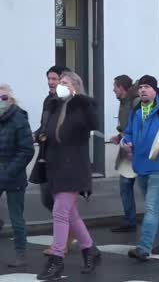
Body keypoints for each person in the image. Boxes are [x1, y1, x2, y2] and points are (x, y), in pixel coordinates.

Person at [37, 72, 101, 280]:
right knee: (70, 214)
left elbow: (94, 124)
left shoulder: (80, 107)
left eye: (64, 82)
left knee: (60, 212)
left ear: (75, 86)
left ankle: (57, 260)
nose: (59, 85)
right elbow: (47, 131)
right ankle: (90, 249)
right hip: (55, 167)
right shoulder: (55, 106)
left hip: (73, 168)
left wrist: (83, 100)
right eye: (59, 82)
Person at [122, 75, 159, 262]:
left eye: (146, 87)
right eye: (140, 87)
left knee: (150, 207)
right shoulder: (136, 110)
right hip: (140, 166)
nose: (142, 90)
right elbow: (128, 133)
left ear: (155, 90)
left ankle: (144, 247)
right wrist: (127, 142)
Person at [35, 66, 75, 256]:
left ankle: (63, 242)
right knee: (47, 199)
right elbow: (44, 125)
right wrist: (36, 134)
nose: (51, 82)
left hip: (61, 159)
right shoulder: (48, 100)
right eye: (49, 79)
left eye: (54, 79)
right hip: (45, 155)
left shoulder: (68, 103)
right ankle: (74, 235)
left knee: (60, 204)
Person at [0, 85, 35, 267]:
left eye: (4, 98)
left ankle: (20, 253)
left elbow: (26, 150)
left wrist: (9, 171)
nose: (0, 101)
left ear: (11, 99)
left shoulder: (19, 119)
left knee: (16, 216)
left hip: (14, 175)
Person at [110, 75, 140, 233]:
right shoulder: (124, 102)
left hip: (133, 150)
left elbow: (139, 126)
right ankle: (129, 220)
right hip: (127, 147)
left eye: (115, 86)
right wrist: (119, 136)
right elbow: (126, 126)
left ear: (122, 88)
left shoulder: (134, 102)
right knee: (126, 186)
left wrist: (131, 144)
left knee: (143, 186)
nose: (113, 89)